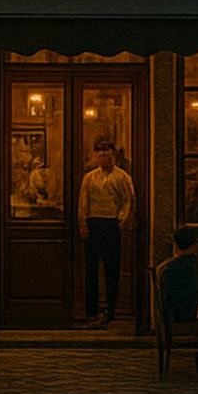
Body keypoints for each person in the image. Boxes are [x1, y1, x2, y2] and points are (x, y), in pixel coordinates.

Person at [78, 137, 136, 325]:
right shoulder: (89, 178)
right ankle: (91, 309)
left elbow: (128, 201)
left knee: (112, 269)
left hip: (111, 224)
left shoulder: (122, 177)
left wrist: (120, 221)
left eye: (107, 152)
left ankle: (111, 308)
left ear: (114, 155)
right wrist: (83, 223)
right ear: (96, 155)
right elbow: (83, 201)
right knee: (91, 269)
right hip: (93, 223)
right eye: (100, 152)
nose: (103, 155)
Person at [157, 226, 198, 375]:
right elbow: (197, 288)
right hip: (186, 310)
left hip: (176, 309)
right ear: (194, 245)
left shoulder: (171, 266)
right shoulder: (186, 266)